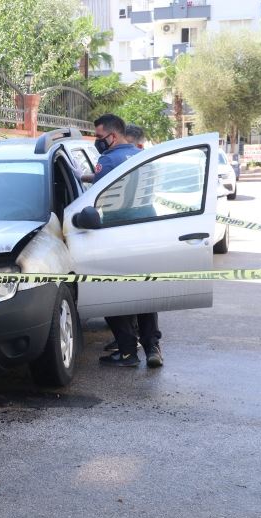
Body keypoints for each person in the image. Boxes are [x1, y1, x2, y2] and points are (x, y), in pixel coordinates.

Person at [87, 117, 163, 369]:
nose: (98, 141)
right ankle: (152, 346)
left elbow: (94, 197)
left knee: (112, 292)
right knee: (146, 290)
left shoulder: (107, 160)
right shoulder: (143, 157)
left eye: (100, 137)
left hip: (118, 232)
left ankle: (128, 352)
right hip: (148, 229)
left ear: (113, 136)